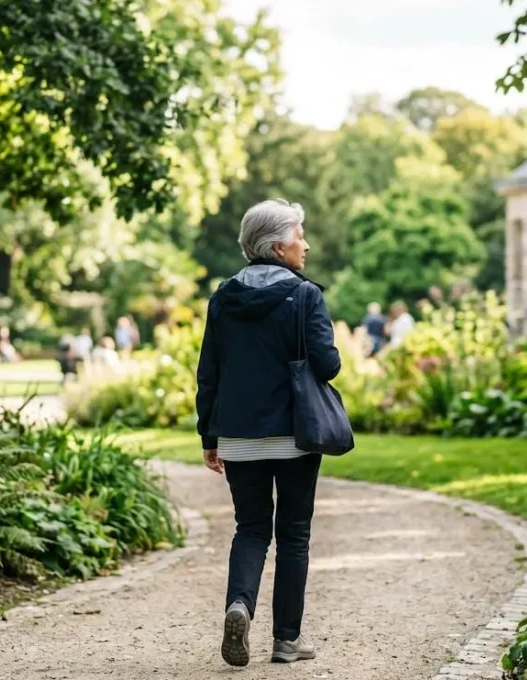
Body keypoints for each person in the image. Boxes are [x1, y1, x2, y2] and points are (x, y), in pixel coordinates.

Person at [196, 198, 341, 668]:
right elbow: (329, 365)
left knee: (251, 528)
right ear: (279, 246)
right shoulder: (305, 295)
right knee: (293, 535)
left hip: (238, 435)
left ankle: (239, 605)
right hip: (296, 434)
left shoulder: (223, 297)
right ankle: (286, 641)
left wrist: (209, 436)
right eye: (300, 235)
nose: (306, 244)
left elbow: (209, 372)